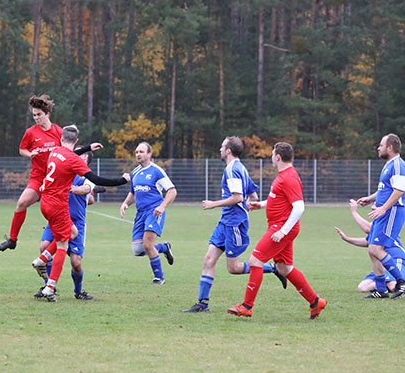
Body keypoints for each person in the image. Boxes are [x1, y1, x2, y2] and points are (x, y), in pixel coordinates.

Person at [183, 136, 286, 313]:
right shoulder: (240, 168)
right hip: (225, 222)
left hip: (235, 224)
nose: (220, 149)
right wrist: (249, 202)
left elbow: (238, 197)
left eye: (222, 146)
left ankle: (273, 269)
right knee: (208, 259)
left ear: (229, 151)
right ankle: (202, 304)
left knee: (234, 268)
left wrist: (213, 203)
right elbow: (252, 196)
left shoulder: (233, 170)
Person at [227, 142, 327, 320]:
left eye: (273, 154)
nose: (271, 156)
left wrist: (282, 231)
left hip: (281, 228)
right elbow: (280, 199)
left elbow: (299, 207)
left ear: (278, 157)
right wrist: (262, 204)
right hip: (280, 226)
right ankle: (315, 302)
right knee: (284, 268)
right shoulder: (285, 175)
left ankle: (247, 306)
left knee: (255, 261)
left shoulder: (288, 177)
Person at [34, 125, 130, 302]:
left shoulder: (55, 151)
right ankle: (50, 286)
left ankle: (43, 259)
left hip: (45, 203)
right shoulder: (74, 161)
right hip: (58, 206)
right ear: (76, 142)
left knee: (72, 233)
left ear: (61, 138)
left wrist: (88, 148)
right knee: (63, 246)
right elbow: (98, 179)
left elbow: (74, 160)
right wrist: (122, 180)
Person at [0, 95, 101, 252]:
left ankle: (56, 247)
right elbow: (21, 149)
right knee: (21, 203)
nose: (36, 118)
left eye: (39, 114)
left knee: (62, 211)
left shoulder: (59, 132)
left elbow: (70, 151)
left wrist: (87, 148)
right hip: (38, 178)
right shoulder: (30, 133)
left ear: (47, 114)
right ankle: (12, 240)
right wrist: (30, 154)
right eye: (34, 115)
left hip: (56, 180)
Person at [32, 148, 105, 300]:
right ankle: (49, 286)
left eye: (83, 157)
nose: (78, 157)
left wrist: (74, 190)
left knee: (75, 262)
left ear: (86, 161)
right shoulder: (63, 168)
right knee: (44, 246)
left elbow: (87, 190)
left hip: (76, 221)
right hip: (57, 216)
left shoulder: (86, 176)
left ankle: (78, 291)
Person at [356, 133, 405, 299]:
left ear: (390, 148)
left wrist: (383, 208)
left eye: (381, 145)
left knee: (376, 249)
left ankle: (401, 281)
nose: (378, 147)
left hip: (392, 212)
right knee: (372, 248)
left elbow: (400, 190)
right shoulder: (388, 165)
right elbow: (385, 188)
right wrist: (370, 198)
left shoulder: (398, 164)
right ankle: (382, 289)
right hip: (383, 212)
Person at [120, 142, 176, 285]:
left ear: (149, 154)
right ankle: (164, 247)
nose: (138, 154)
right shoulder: (135, 173)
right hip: (140, 214)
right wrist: (125, 203)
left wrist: (162, 206)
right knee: (138, 250)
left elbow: (172, 191)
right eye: (137, 151)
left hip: (154, 212)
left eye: (142, 152)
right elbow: (133, 193)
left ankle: (159, 278)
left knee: (148, 244)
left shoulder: (156, 171)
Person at [334, 199, 405, 293]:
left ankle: (390, 284)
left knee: (393, 286)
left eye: (375, 204)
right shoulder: (377, 224)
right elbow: (367, 242)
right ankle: (385, 286)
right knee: (362, 288)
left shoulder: (387, 221)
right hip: (383, 265)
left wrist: (354, 212)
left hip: (396, 259)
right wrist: (347, 238)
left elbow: (367, 228)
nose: (372, 207)